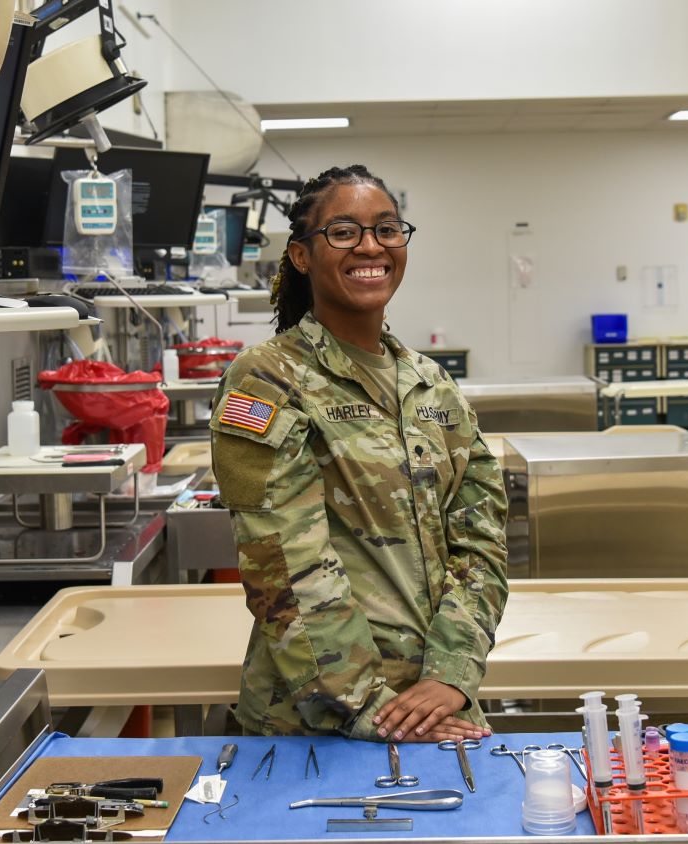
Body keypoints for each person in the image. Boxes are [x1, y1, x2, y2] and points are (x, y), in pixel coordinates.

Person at [210, 164, 509, 742]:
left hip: (438, 708)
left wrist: (451, 676)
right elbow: (283, 565)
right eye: (343, 232)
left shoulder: (432, 384)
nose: (370, 246)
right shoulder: (268, 380)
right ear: (301, 256)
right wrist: (369, 708)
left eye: (387, 229)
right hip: (316, 723)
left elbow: (482, 541)